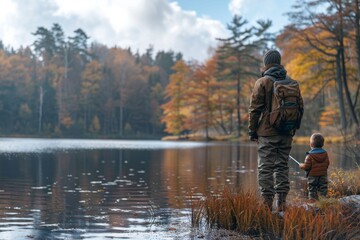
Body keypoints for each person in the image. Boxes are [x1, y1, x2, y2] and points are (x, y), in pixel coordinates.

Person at [248, 49, 304, 212]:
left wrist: (252, 131)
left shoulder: (263, 82)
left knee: (266, 167)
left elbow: (254, 110)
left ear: (266, 64)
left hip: (267, 132)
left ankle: (266, 205)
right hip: (287, 131)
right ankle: (282, 203)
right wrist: (293, 127)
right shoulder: (292, 82)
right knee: (282, 166)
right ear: (279, 62)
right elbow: (301, 107)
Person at [299, 133, 330, 200]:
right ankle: (323, 202)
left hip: (312, 176)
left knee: (312, 189)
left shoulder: (309, 155)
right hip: (323, 175)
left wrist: (301, 166)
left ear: (311, 144)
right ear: (322, 144)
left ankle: (313, 202)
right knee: (323, 189)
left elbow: (306, 167)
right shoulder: (325, 153)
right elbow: (327, 163)